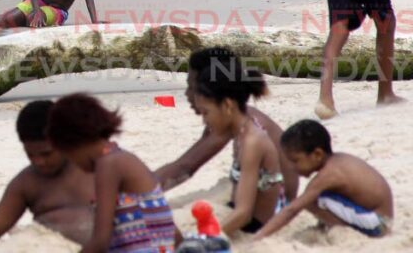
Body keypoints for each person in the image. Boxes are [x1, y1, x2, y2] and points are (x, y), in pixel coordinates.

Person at [0, 100, 95, 251]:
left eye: (46, 153)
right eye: (30, 154)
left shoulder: (101, 169)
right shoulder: (27, 183)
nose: (39, 162)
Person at [156, 47, 298, 201]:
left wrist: (137, 191)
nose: (187, 94)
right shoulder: (232, 115)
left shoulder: (237, 119)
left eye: (191, 87)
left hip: (276, 201)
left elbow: (185, 167)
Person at [46, 94, 176, 253]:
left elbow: (100, 241)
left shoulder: (108, 165)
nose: (74, 164)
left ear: (72, 142)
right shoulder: (121, 157)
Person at [191, 57, 286, 234]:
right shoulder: (243, 132)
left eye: (206, 112)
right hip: (247, 214)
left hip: (255, 224)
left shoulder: (252, 141)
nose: (204, 120)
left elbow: (244, 213)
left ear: (227, 105)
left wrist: (204, 239)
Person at [254, 120, 393, 240]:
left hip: (380, 224)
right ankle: (331, 225)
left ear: (317, 154)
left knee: (312, 201)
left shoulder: (329, 174)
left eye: (295, 161)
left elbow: (292, 209)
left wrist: (260, 236)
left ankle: (340, 229)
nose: (292, 167)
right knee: (319, 197)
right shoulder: (338, 160)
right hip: (379, 217)